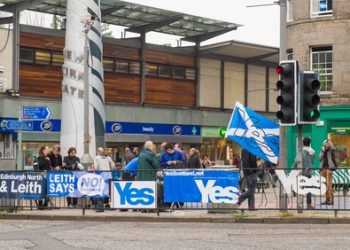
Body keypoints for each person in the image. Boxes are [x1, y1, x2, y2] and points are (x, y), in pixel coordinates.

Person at [293, 136, 315, 209]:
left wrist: (293, 169)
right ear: (310, 143)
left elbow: (296, 161)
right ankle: (309, 205)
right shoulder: (313, 151)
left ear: (303, 143)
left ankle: (300, 204)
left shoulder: (301, 151)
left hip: (302, 172)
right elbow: (312, 162)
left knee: (300, 188)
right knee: (309, 189)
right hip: (310, 172)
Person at [319, 139, 337, 205]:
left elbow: (333, 149)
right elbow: (319, 158)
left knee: (329, 185)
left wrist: (329, 144)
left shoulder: (331, 150)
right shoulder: (322, 150)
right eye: (324, 143)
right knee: (324, 185)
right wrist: (323, 150)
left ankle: (331, 200)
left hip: (329, 168)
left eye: (326, 143)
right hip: (323, 168)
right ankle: (327, 199)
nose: (325, 144)